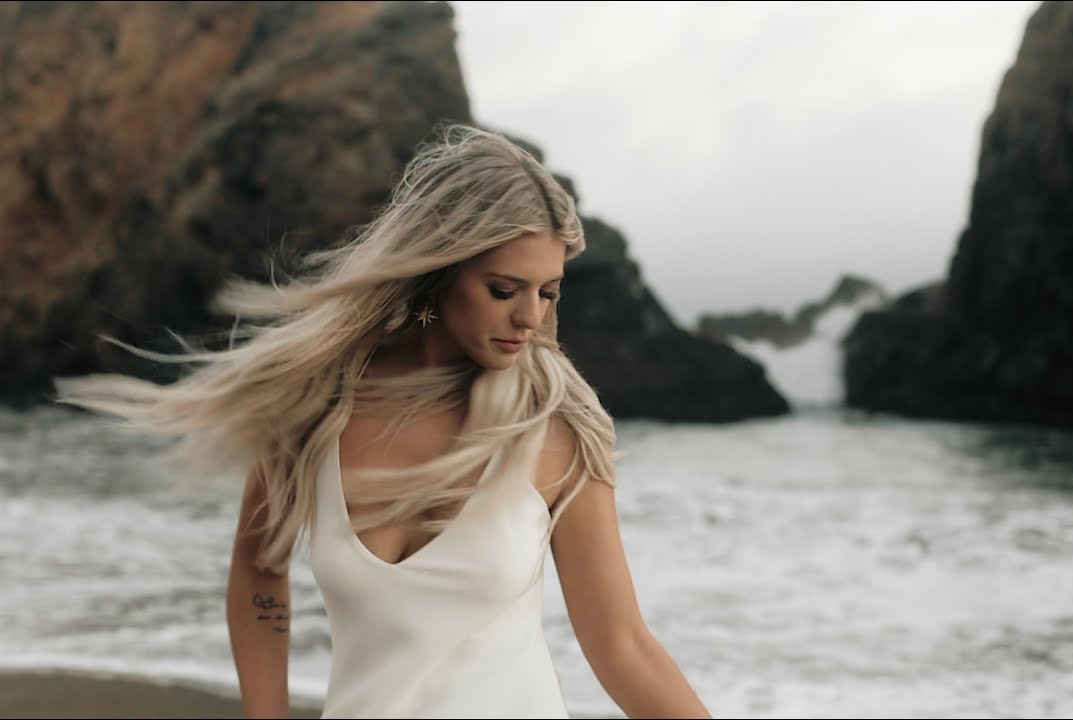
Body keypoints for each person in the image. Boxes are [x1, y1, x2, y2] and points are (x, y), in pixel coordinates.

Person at [56, 124, 712, 719]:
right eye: (504, 290)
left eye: (548, 292)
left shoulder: (557, 430)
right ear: (438, 272)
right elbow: (260, 572)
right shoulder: (314, 409)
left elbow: (621, 644)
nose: (530, 318)